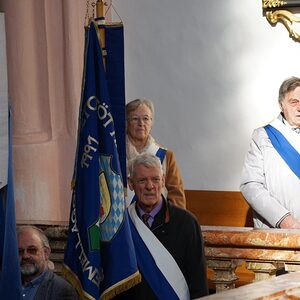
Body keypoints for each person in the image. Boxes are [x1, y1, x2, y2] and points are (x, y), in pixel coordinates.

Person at [118, 153, 208, 299]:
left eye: (155, 179)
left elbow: (198, 284)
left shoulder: (187, 223)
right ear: (131, 183)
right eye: (142, 180)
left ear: (163, 181)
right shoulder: (123, 224)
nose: (150, 186)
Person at [240, 76, 300, 228]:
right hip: (279, 230)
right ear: (281, 105)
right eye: (294, 102)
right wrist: (284, 220)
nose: (299, 107)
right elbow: (251, 185)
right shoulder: (263, 136)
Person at [126, 98, 186, 208]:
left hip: (157, 223)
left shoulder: (166, 156)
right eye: (135, 118)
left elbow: (177, 199)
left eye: (146, 118)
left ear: (151, 123)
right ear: (126, 122)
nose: (141, 123)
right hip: (122, 223)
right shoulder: (115, 156)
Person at [17, 225, 78, 300]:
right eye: (20, 251)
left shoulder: (62, 290)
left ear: (46, 253)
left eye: (32, 250)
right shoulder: (7, 284)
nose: (25, 256)